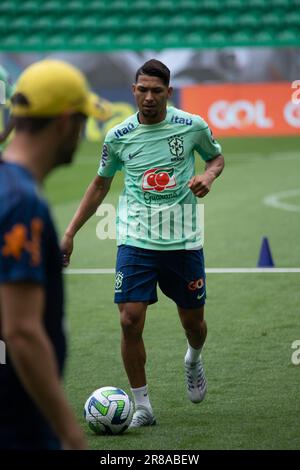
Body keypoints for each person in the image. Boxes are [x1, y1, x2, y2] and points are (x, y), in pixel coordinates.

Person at [61, 59, 225, 427]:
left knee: (194, 324)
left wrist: (209, 176)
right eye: (142, 90)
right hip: (135, 240)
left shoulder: (192, 126)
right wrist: (70, 232)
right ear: (133, 90)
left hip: (183, 238)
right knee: (130, 320)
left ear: (168, 91)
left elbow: (216, 158)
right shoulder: (118, 136)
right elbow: (100, 184)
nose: (148, 97)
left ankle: (193, 359)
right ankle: (143, 406)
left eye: (156, 91)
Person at [0, 59, 101, 449]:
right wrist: (69, 433)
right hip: (16, 420)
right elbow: (21, 331)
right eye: (82, 123)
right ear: (65, 122)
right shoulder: (21, 202)